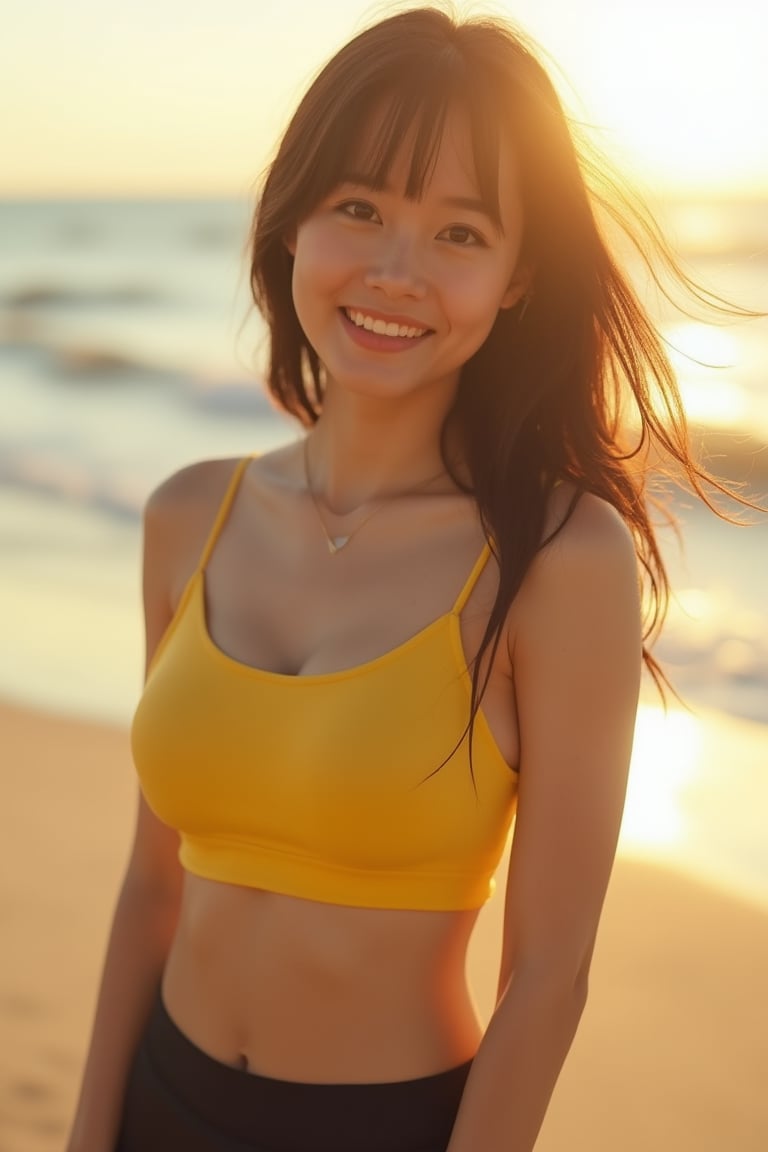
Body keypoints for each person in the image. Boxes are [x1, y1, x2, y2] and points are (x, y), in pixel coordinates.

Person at [65, 7, 748, 1152]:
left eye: (460, 234)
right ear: (294, 223)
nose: (395, 271)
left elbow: (549, 973)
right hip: (158, 1100)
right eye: (361, 209)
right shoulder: (189, 515)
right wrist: (91, 1134)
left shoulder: (559, 564)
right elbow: (152, 887)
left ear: (520, 274)